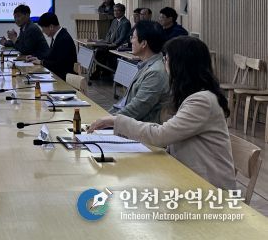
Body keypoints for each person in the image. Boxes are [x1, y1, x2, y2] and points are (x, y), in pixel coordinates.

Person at [90, 36, 236, 190]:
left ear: (180, 64)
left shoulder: (202, 101)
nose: (164, 63)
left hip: (210, 189)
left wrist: (117, 121)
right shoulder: (193, 95)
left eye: (166, 59)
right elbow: (169, 132)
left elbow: (161, 135)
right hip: (189, 177)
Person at [111, 21, 169, 123]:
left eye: (133, 37)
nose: (131, 41)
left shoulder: (156, 72)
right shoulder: (147, 64)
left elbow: (136, 109)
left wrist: (108, 119)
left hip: (140, 127)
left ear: (144, 43)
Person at [26, 12, 76, 80]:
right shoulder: (58, 36)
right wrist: (37, 58)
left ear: (51, 27)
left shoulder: (63, 39)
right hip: (57, 74)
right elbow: (51, 56)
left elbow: (59, 65)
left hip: (64, 78)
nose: (43, 31)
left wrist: (41, 62)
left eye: (43, 28)